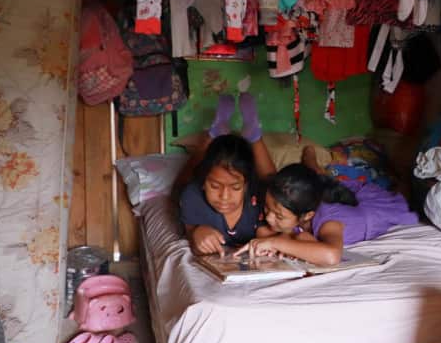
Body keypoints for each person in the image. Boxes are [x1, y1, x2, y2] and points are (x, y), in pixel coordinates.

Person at [239, 162, 418, 267]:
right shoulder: (298, 206)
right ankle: (312, 163)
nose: (269, 218)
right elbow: (298, 235)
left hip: (376, 209)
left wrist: (275, 242)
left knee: (402, 195)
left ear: (307, 215)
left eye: (278, 216)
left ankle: (406, 179)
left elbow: (331, 256)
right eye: (267, 209)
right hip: (339, 196)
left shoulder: (329, 223)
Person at [177, 92, 276, 255]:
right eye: (215, 186)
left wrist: (272, 239)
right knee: (180, 187)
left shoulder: (260, 199)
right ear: (204, 182)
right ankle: (214, 134)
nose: (224, 196)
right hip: (192, 185)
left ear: (246, 185)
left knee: (275, 185)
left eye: (235, 187)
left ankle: (254, 136)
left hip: (262, 189)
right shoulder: (192, 195)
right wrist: (196, 232)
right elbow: (190, 235)